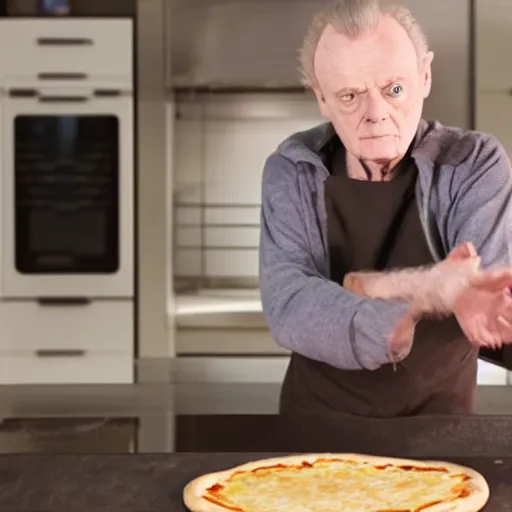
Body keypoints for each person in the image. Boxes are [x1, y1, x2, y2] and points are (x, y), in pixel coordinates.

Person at [258, 0, 512, 417]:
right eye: (350, 96)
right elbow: (289, 304)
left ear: (425, 75)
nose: (376, 115)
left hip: (440, 421)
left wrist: (374, 288)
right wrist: (428, 290)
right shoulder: (292, 169)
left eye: (394, 90)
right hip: (320, 423)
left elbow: (487, 290)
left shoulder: (473, 162)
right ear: (322, 98)